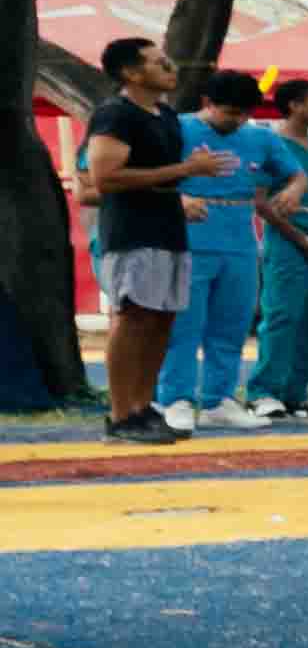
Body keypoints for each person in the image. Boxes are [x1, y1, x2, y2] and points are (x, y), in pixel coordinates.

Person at [77, 37, 196, 440]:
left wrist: (185, 181)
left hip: (168, 229)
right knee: (133, 319)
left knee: (161, 320)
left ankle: (144, 409)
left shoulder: (165, 115)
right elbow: (104, 179)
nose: (170, 68)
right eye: (159, 62)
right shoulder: (115, 114)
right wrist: (183, 169)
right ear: (130, 72)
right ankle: (121, 415)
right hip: (132, 232)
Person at [162, 70, 274, 427]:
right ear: (207, 103)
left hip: (240, 242)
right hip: (189, 240)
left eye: (245, 114)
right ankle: (175, 399)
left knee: (231, 324)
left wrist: (293, 189)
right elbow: (149, 176)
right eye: (230, 113)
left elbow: (293, 173)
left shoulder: (258, 137)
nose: (238, 121)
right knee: (184, 324)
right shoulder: (176, 129)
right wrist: (179, 198)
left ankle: (218, 401)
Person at [241, 79, 308, 420]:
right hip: (289, 239)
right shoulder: (270, 144)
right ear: (295, 106)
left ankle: (296, 393)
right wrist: (304, 241)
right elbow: (261, 202)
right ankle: (263, 392)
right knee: (283, 315)